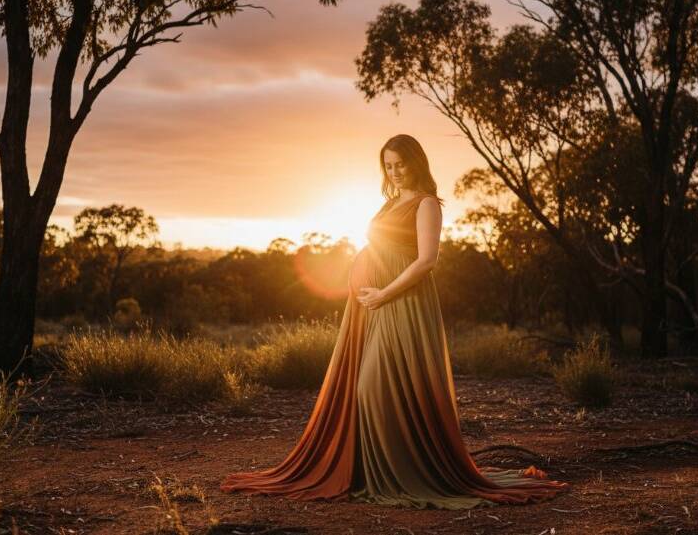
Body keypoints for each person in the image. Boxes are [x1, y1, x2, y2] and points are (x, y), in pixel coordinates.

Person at [220, 134, 571, 509]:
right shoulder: (390, 203)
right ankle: (369, 472)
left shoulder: (427, 205)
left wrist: (385, 293)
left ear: (416, 162)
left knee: (371, 387)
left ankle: (397, 473)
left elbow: (427, 261)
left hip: (402, 301)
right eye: (388, 166)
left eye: (400, 164)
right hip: (372, 306)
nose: (394, 172)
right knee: (368, 386)